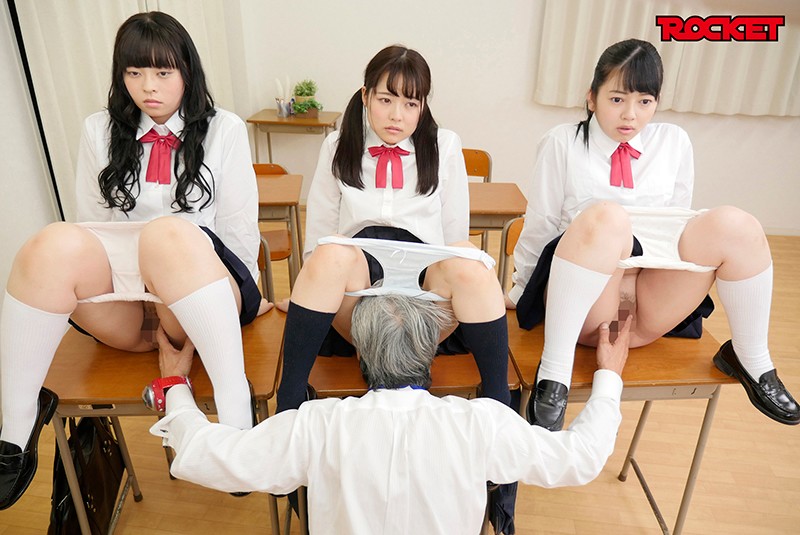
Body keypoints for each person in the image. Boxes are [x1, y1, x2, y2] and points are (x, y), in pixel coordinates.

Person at [0, 11, 269, 509]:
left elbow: (238, 230)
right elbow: (93, 231)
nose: (148, 86)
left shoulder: (224, 129)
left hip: (201, 296)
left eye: (163, 72)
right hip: (130, 309)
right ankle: (15, 429)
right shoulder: (99, 130)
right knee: (50, 242)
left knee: (166, 232)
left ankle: (235, 416)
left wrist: (247, 296)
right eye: (134, 72)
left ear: (187, 72)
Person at [149, 294, 631, 535]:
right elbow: (582, 458)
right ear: (430, 356)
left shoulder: (319, 424)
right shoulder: (479, 424)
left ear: (361, 356)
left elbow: (205, 456)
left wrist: (174, 387)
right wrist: (608, 376)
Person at [507, 38, 798, 431]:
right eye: (617, 99)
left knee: (736, 223)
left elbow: (678, 229)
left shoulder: (673, 142)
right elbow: (540, 223)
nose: (630, 115)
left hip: (645, 309)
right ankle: (554, 371)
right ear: (592, 97)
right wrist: (520, 290)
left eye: (644, 101)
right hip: (586, 307)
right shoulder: (563, 142)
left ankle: (751, 357)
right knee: (607, 217)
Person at [275, 45, 510, 412]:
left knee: (467, 256)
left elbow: (453, 236)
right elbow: (318, 239)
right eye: (385, 100)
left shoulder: (444, 145)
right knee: (330, 251)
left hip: (424, 295)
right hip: (358, 295)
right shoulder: (337, 145)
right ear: (365, 96)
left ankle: (499, 404)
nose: (396, 115)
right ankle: (288, 403)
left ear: (423, 106)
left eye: (410, 104)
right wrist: (311, 294)